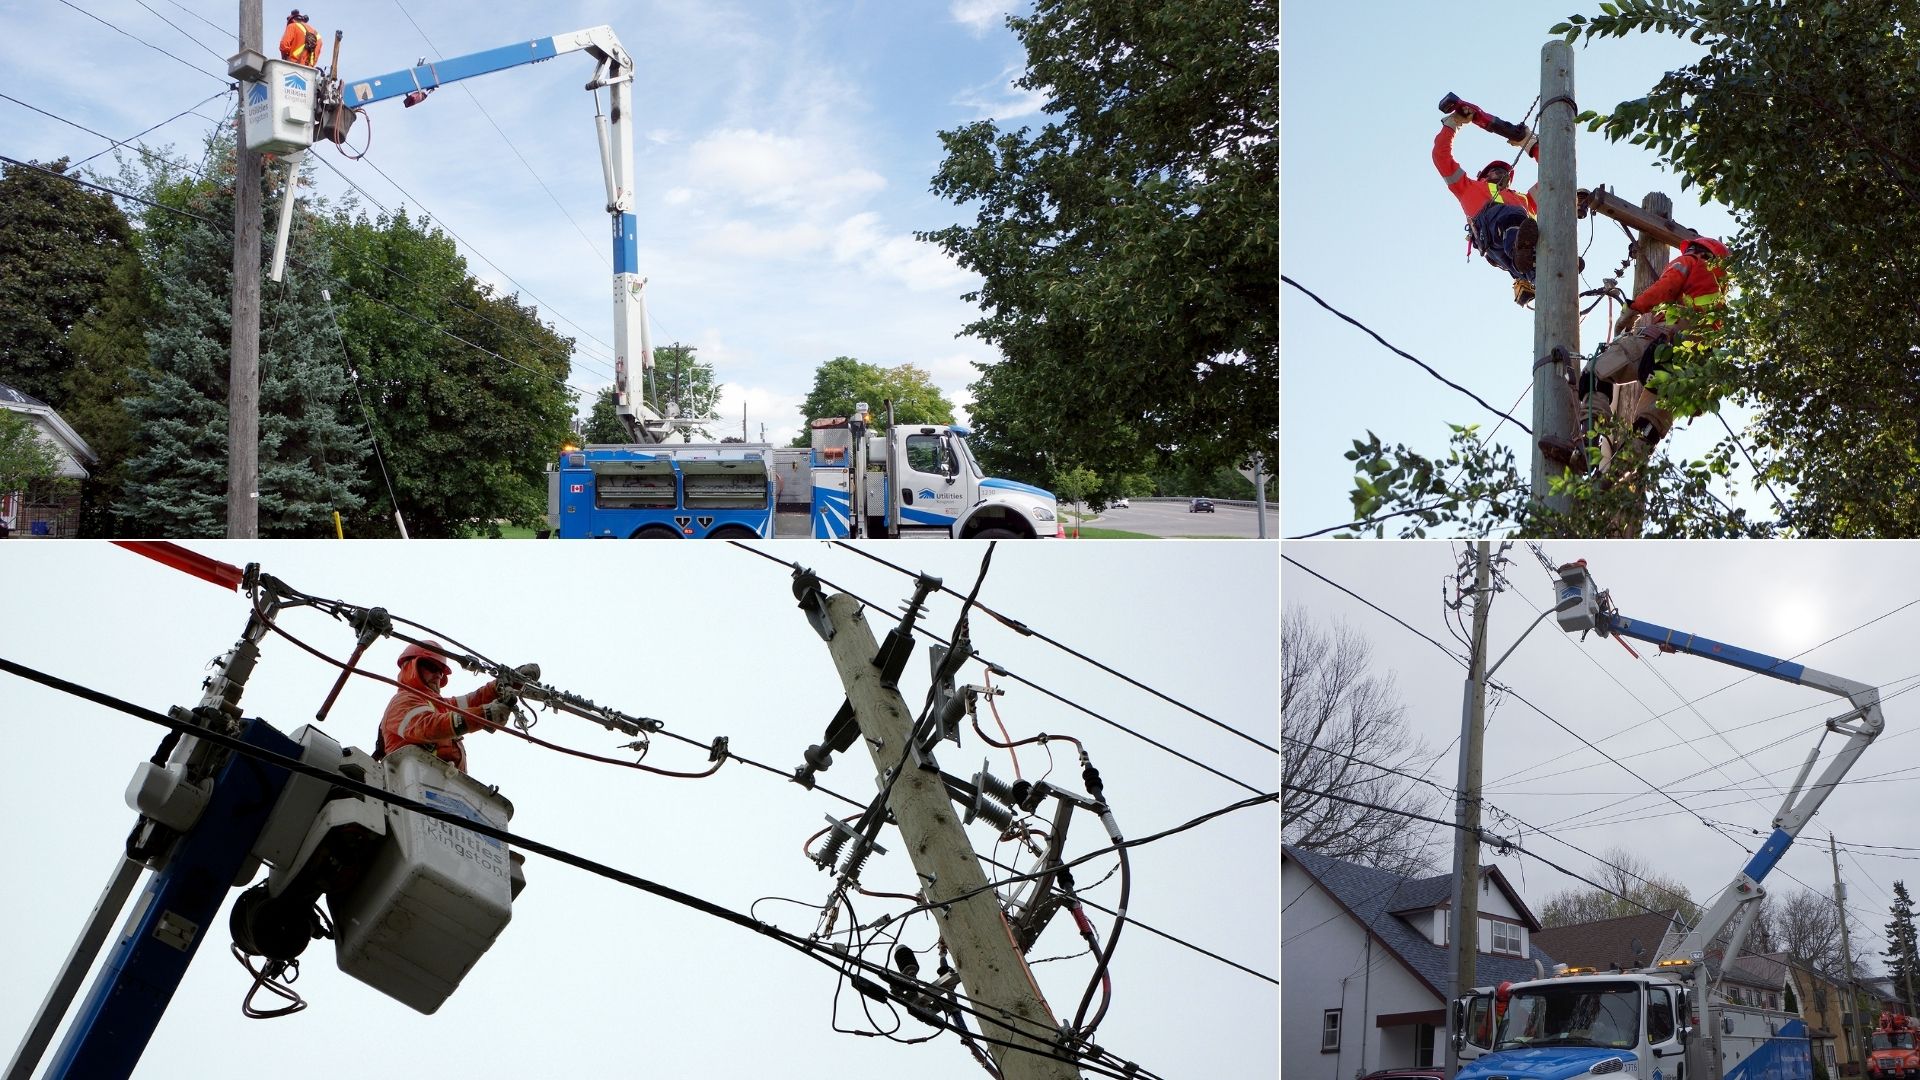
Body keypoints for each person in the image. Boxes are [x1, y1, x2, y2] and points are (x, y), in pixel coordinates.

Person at [1542, 236, 1730, 471]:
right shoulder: (1721, 301)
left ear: (1700, 252)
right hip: (1694, 369)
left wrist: (1632, 310)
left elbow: (1667, 286)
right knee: (1652, 416)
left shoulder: (1691, 262)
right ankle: (1622, 473)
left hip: (1666, 343)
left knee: (1596, 372)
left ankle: (1586, 447)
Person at [377, 640, 539, 775]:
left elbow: (474, 700)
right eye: (432, 667)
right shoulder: (402, 701)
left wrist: (504, 684)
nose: (438, 675)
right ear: (412, 667)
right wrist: (484, 715)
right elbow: (427, 727)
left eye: (441, 671)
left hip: (448, 789)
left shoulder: (439, 705)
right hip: (415, 785)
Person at [1434, 105, 1541, 303]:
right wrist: (1452, 124)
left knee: (1538, 236)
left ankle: (1544, 271)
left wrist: (1529, 143)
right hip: (1492, 230)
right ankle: (1529, 262)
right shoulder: (1467, 187)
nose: (1500, 172)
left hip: (1515, 245)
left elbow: (1555, 174)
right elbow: (1442, 157)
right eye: (1494, 170)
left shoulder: (1525, 199)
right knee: (1512, 217)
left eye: (1504, 170)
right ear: (1483, 175)